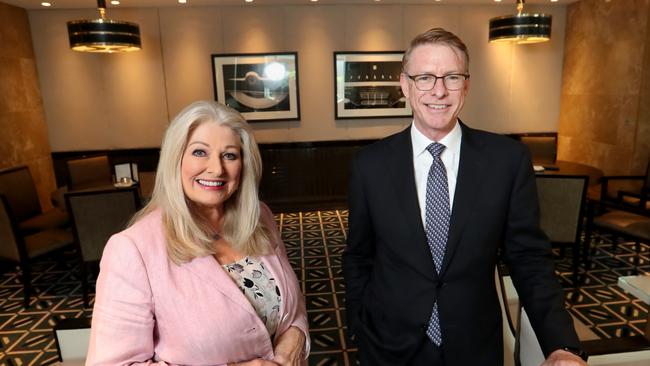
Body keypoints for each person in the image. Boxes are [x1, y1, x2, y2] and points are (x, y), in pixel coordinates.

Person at [342, 28, 588, 366]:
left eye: (452, 77)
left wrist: (561, 344)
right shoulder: (369, 165)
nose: (439, 91)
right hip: (387, 345)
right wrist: (358, 324)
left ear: (466, 85)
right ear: (405, 85)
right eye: (425, 77)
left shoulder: (507, 161)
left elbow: (529, 260)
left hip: (474, 347)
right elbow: (358, 256)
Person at [87, 101, 309, 366]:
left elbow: (291, 305)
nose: (216, 168)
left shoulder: (260, 217)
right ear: (175, 159)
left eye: (229, 155)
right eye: (199, 152)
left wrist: (296, 336)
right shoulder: (132, 250)